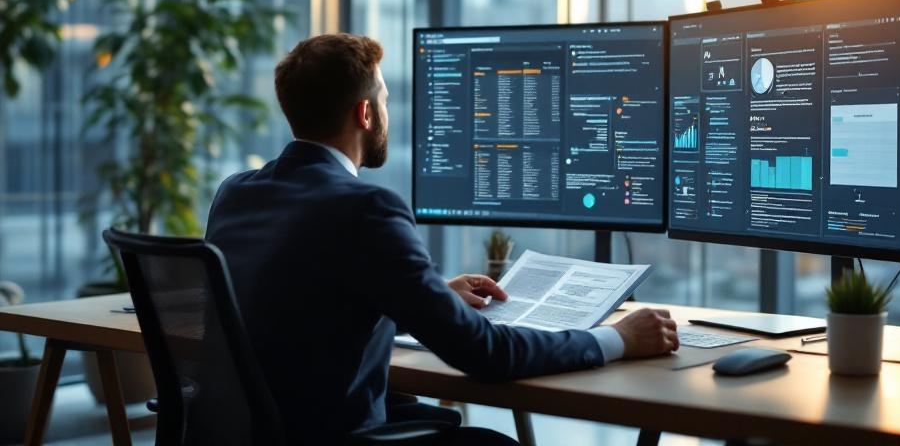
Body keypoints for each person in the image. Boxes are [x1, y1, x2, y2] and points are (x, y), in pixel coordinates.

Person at [205, 33, 679, 444]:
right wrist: (615, 338)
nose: (389, 112)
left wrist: (428, 298)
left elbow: (303, 299)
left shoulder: (236, 193)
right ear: (365, 113)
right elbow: (485, 355)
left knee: (437, 417)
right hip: (332, 432)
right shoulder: (367, 208)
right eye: (386, 101)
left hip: (260, 429)